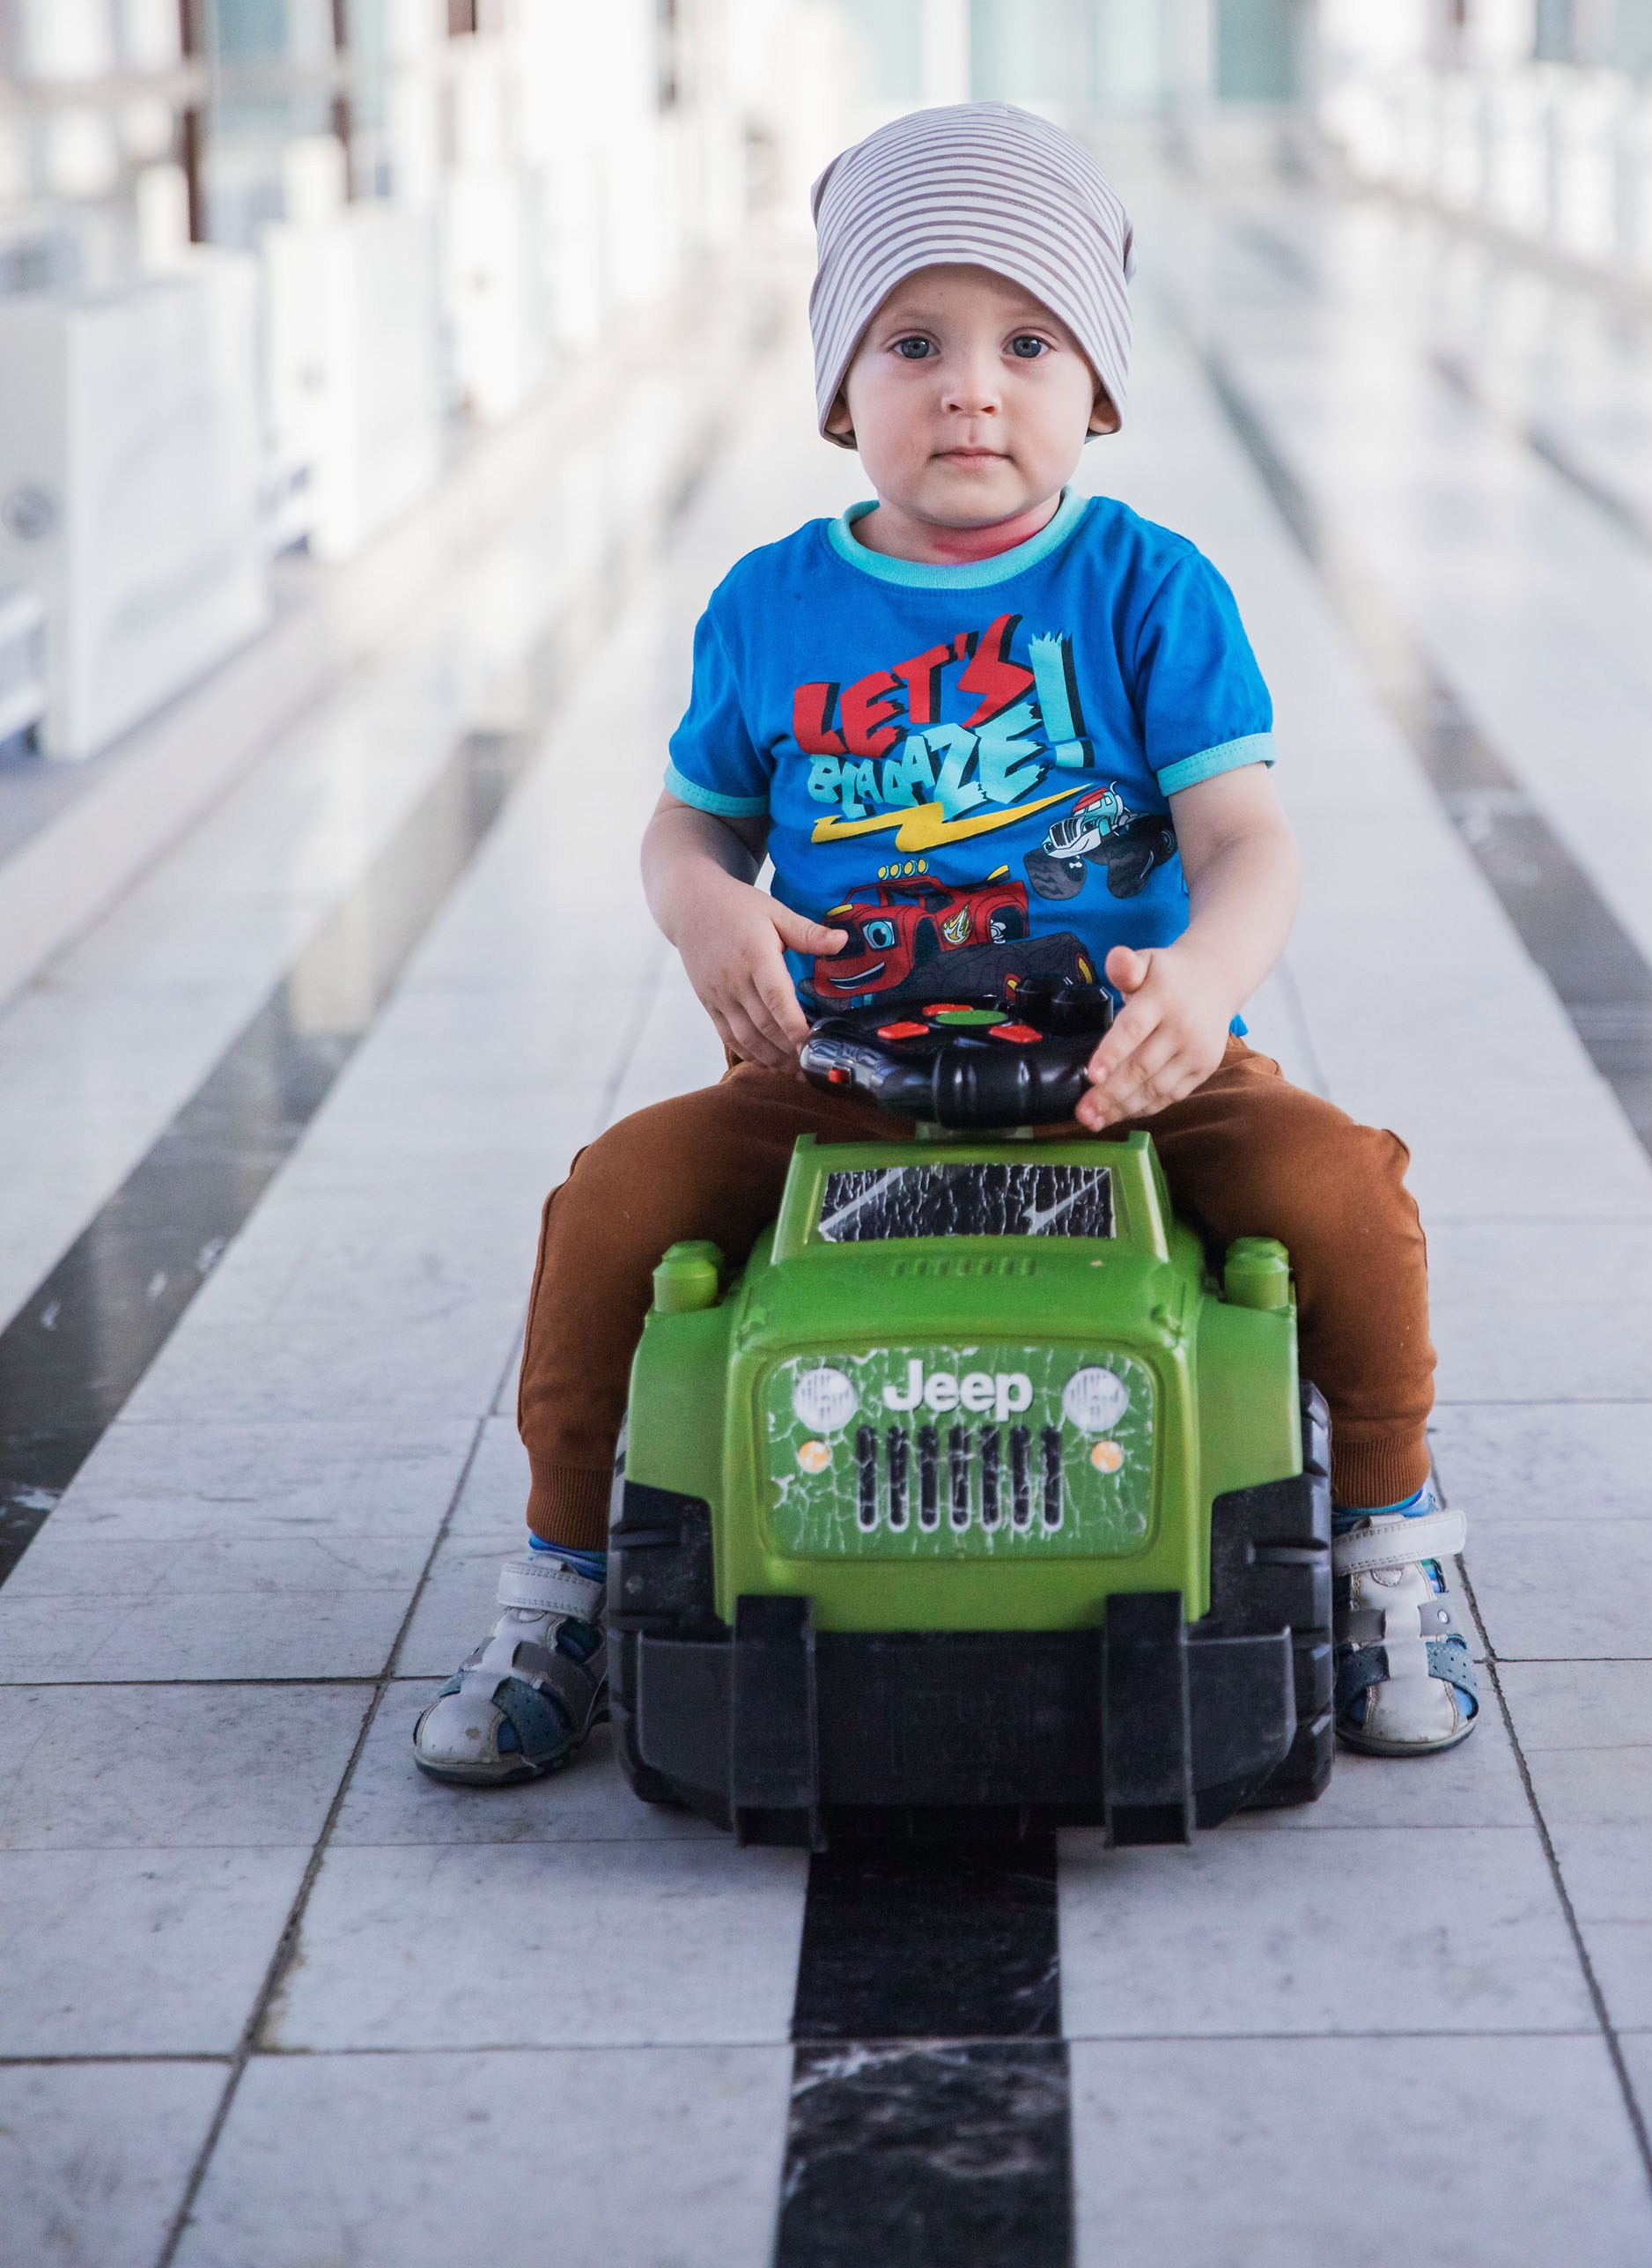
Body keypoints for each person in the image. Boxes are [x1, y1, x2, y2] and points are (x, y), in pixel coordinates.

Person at [412, 105, 1477, 1785]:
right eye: (913, 341)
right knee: (609, 1200)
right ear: (840, 390)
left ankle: (1388, 1547)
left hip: (1124, 1066)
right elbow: (691, 821)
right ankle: (561, 1582)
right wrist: (702, 906)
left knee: (1344, 1191)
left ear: (1097, 390)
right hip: (838, 1073)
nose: (969, 386)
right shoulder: (772, 604)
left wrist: (1199, 987)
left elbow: (1247, 840)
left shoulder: (1146, 587)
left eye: (1025, 341)